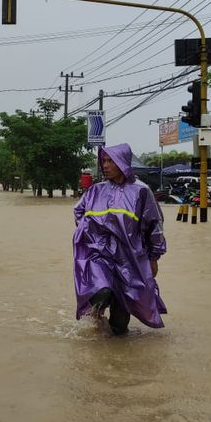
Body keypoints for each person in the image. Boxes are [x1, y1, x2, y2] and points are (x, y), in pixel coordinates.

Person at [72, 143, 167, 335]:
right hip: (99, 254)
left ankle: (114, 343)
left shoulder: (141, 191)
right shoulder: (96, 190)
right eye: (103, 161)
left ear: (122, 163)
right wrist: (90, 234)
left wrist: (154, 257)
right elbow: (79, 211)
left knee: (120, 324)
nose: (105, 166)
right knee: (101, 290)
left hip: (130, 258)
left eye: (110, 161)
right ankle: (94, 325)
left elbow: (154, 226)